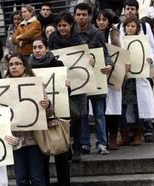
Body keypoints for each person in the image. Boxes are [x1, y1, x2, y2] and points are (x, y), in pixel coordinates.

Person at [28, 39, 71, 185]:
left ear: (47, 48)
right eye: (34, 47)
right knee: (42, 160)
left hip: (59, 115)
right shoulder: (28, 68)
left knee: (62, 158)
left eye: (40, 47)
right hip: (39, 119)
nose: (37, 50)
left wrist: (67, 86)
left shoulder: (57, 65)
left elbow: (65, 93)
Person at [119, 0, 154, 144]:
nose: (130, 11)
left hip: (142, 71)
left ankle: (146, 130)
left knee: (143, 101)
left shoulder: (145, 26)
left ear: (137, 10)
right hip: (126, 72)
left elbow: (151, 46)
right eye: (127, 9)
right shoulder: (119, 27)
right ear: (124, 10)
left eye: (132, 8)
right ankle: (129, 132)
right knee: (127, 104)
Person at [4, 54, 50, 185]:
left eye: (18, 63)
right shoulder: (2, 87)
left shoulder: (35, 84)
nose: (14, 66)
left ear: (24, 66)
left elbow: (48, 112)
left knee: (37, 178)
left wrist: (47, 106)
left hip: (34, 139)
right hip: (15, 140)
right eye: (11, 64)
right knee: (21, 178)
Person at [74, 3, 112, 155]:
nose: (81, 17)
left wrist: (109, 65)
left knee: (99, 113)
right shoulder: (71, 33)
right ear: (75, 16)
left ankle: (102, 143)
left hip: (96, 78)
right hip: (79, 80)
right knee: (82, 114)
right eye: (78, 14)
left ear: (89, 16)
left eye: (84, 14)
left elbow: (105, 54)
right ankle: (84, 144)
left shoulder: (97, 33)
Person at [48, 11, 86, 163]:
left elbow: (86, 60)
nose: (62, 28)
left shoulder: (79, 40)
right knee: (63, 117)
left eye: (64, 25)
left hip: (77, 84)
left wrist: (89, 62)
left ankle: (77, 147)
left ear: (71, 25)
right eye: (59, 26)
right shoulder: (52, 39)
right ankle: (67, 148)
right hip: (60, 85)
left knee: (77, 116)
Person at [94, 9, 123, 150]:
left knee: (114, 106)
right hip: (98, 76)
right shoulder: (92, 35)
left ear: (109, 21)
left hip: (114, 75)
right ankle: (103, 136)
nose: (101, 22)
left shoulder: (114, 36)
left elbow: (122, 54)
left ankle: (113, 136)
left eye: (104, 19)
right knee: (101, 108)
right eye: (99, 19)